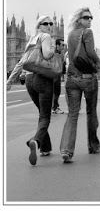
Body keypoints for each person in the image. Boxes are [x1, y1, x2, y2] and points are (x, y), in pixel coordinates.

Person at [7, 15, 56, 165]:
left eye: (51, 23)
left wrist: (9, 81)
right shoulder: (46, 36)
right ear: (39, 25)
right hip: (42, 78)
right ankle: (35, 140)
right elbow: (48, 54)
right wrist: (53, 48)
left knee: (42, 114)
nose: (49, 26)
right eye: (45, 23)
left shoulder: (31, 40)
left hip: (29, 80)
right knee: (45, 116)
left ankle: (45, 147)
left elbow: (21, 62)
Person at [60, 7, 100, 163]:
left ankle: (66, 150)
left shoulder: (70, 34)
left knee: (72, 114)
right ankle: (93, 145)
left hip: (71, 78)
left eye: (91, 17)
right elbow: (90, 52)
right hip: (87, 78)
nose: (90, 20)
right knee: (91, 112)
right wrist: (98, 61)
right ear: (79, 20)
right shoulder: (87, 32)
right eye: (86, 17)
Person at [51, 39, 65, 114]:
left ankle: (55, 106)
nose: (63, 46)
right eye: (62, 45)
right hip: (54, 74)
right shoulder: (52, 53)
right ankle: (55, 107)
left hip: (58, 74)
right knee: (55, 91)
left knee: (57, 92)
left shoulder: (61, 53)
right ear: (57, 45)